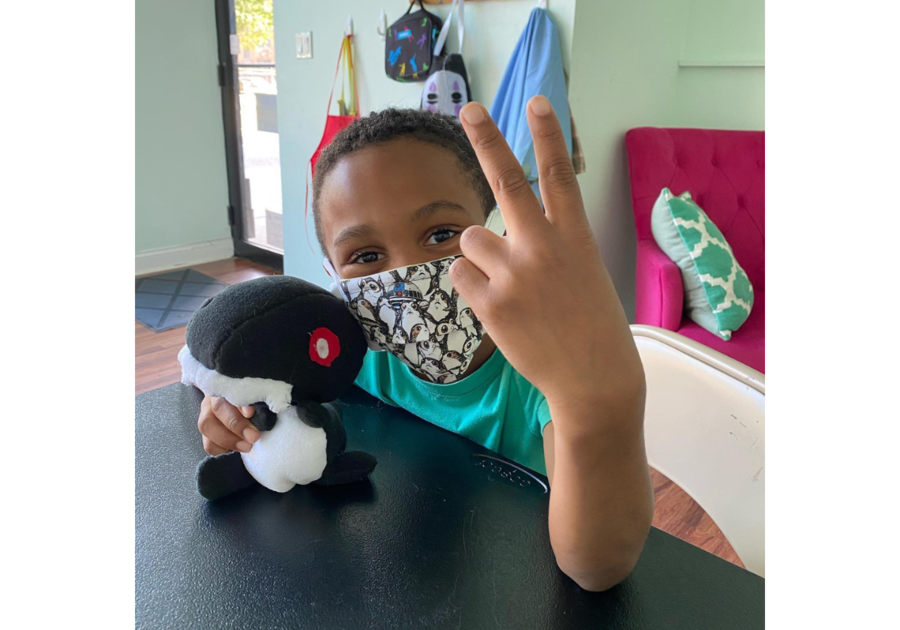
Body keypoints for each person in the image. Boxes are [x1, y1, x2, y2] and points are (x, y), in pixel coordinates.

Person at [195, 98, 653, 591]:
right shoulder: (351, 353)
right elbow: (243, 375)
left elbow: (596, 567)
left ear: (494, 228)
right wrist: (235, 408)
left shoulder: (542, 372)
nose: (407, 277)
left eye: (440, 234)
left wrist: (596, 401)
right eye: (366, 255)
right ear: (332, 275)